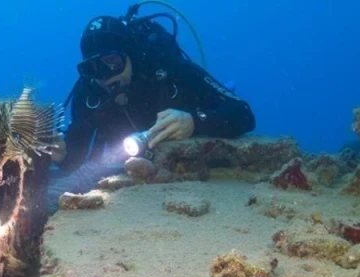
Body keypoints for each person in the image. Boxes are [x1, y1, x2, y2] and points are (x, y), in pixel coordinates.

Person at [55, 10, 255, 172]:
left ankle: (227, 87)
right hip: (137, 175)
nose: (105, 76)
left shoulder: (171, 69)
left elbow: (243, 114)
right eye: (93, 68)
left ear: (130, 54)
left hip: (189, 168)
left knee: (221, 96)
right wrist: (63, 156)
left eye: (113, 62)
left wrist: (194, 122)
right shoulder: (89, 93)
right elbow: (75, 160)